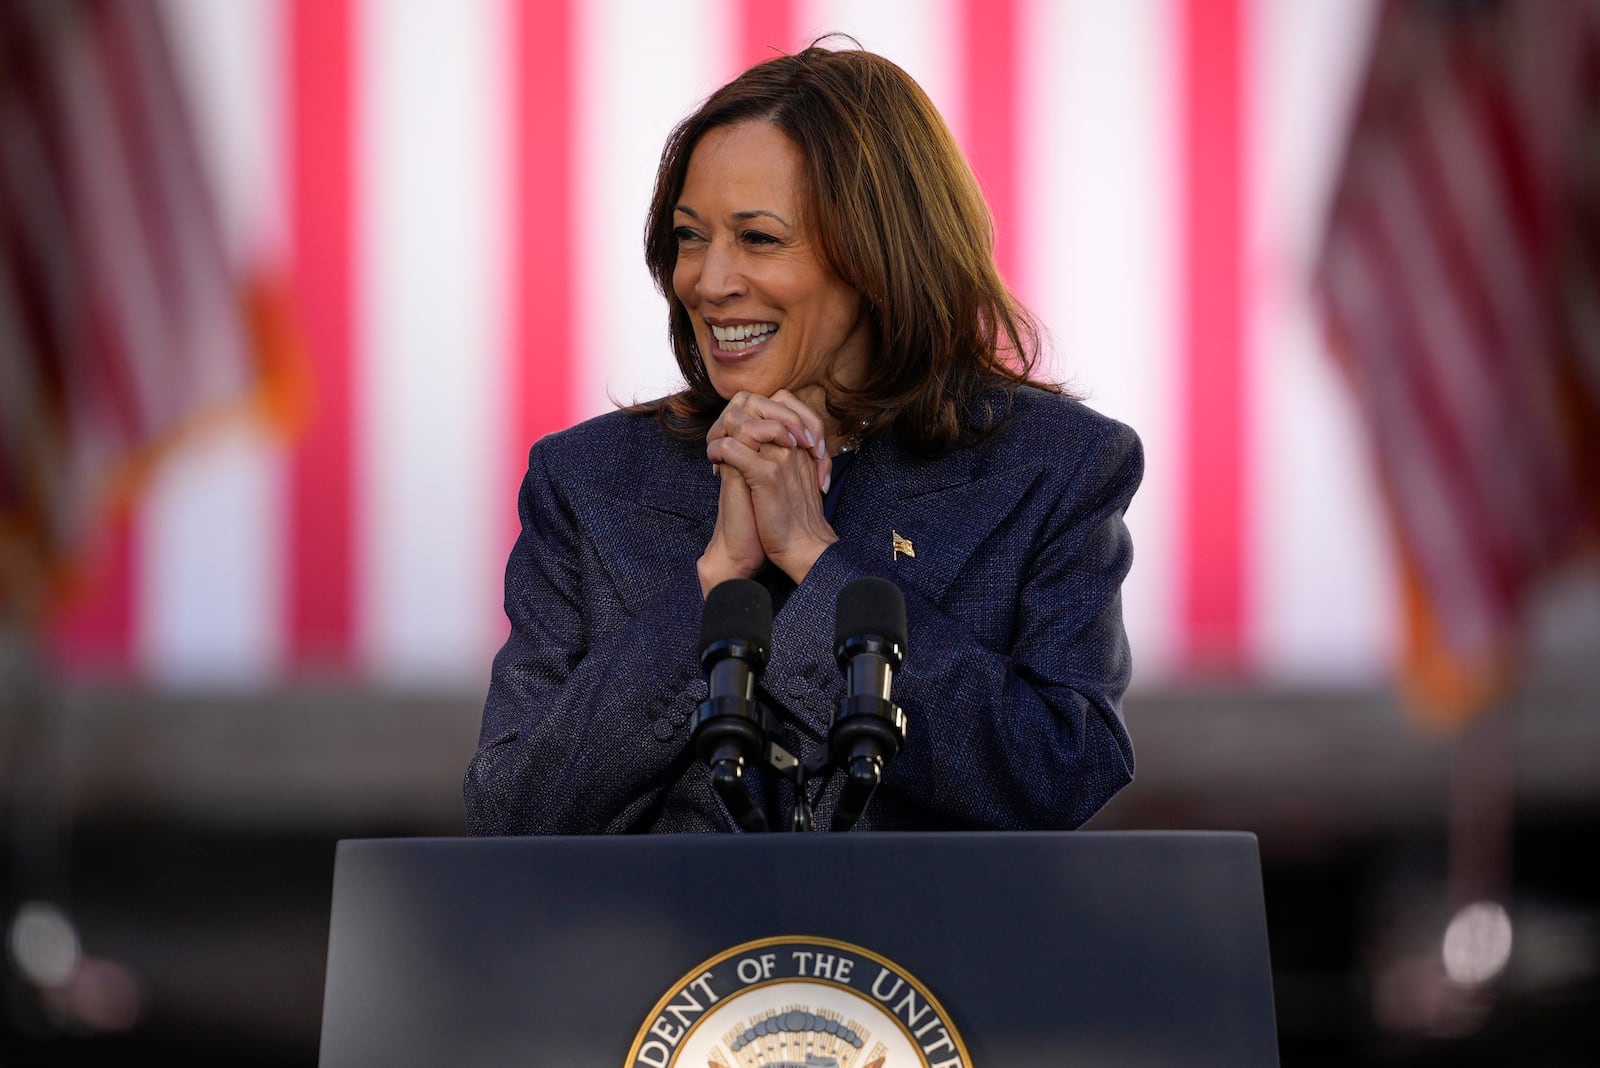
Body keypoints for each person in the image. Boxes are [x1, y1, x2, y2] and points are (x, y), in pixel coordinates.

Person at [465, 42, 1142, 835]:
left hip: (927, 957)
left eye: (757, 239)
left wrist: (816, 564)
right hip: (665, 958)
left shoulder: (1054, 467)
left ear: (878, 255)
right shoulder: (585, 480)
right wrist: (713, 583)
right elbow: (513, 811)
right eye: (690, 237)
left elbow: (1057, 776)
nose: (709, 281)